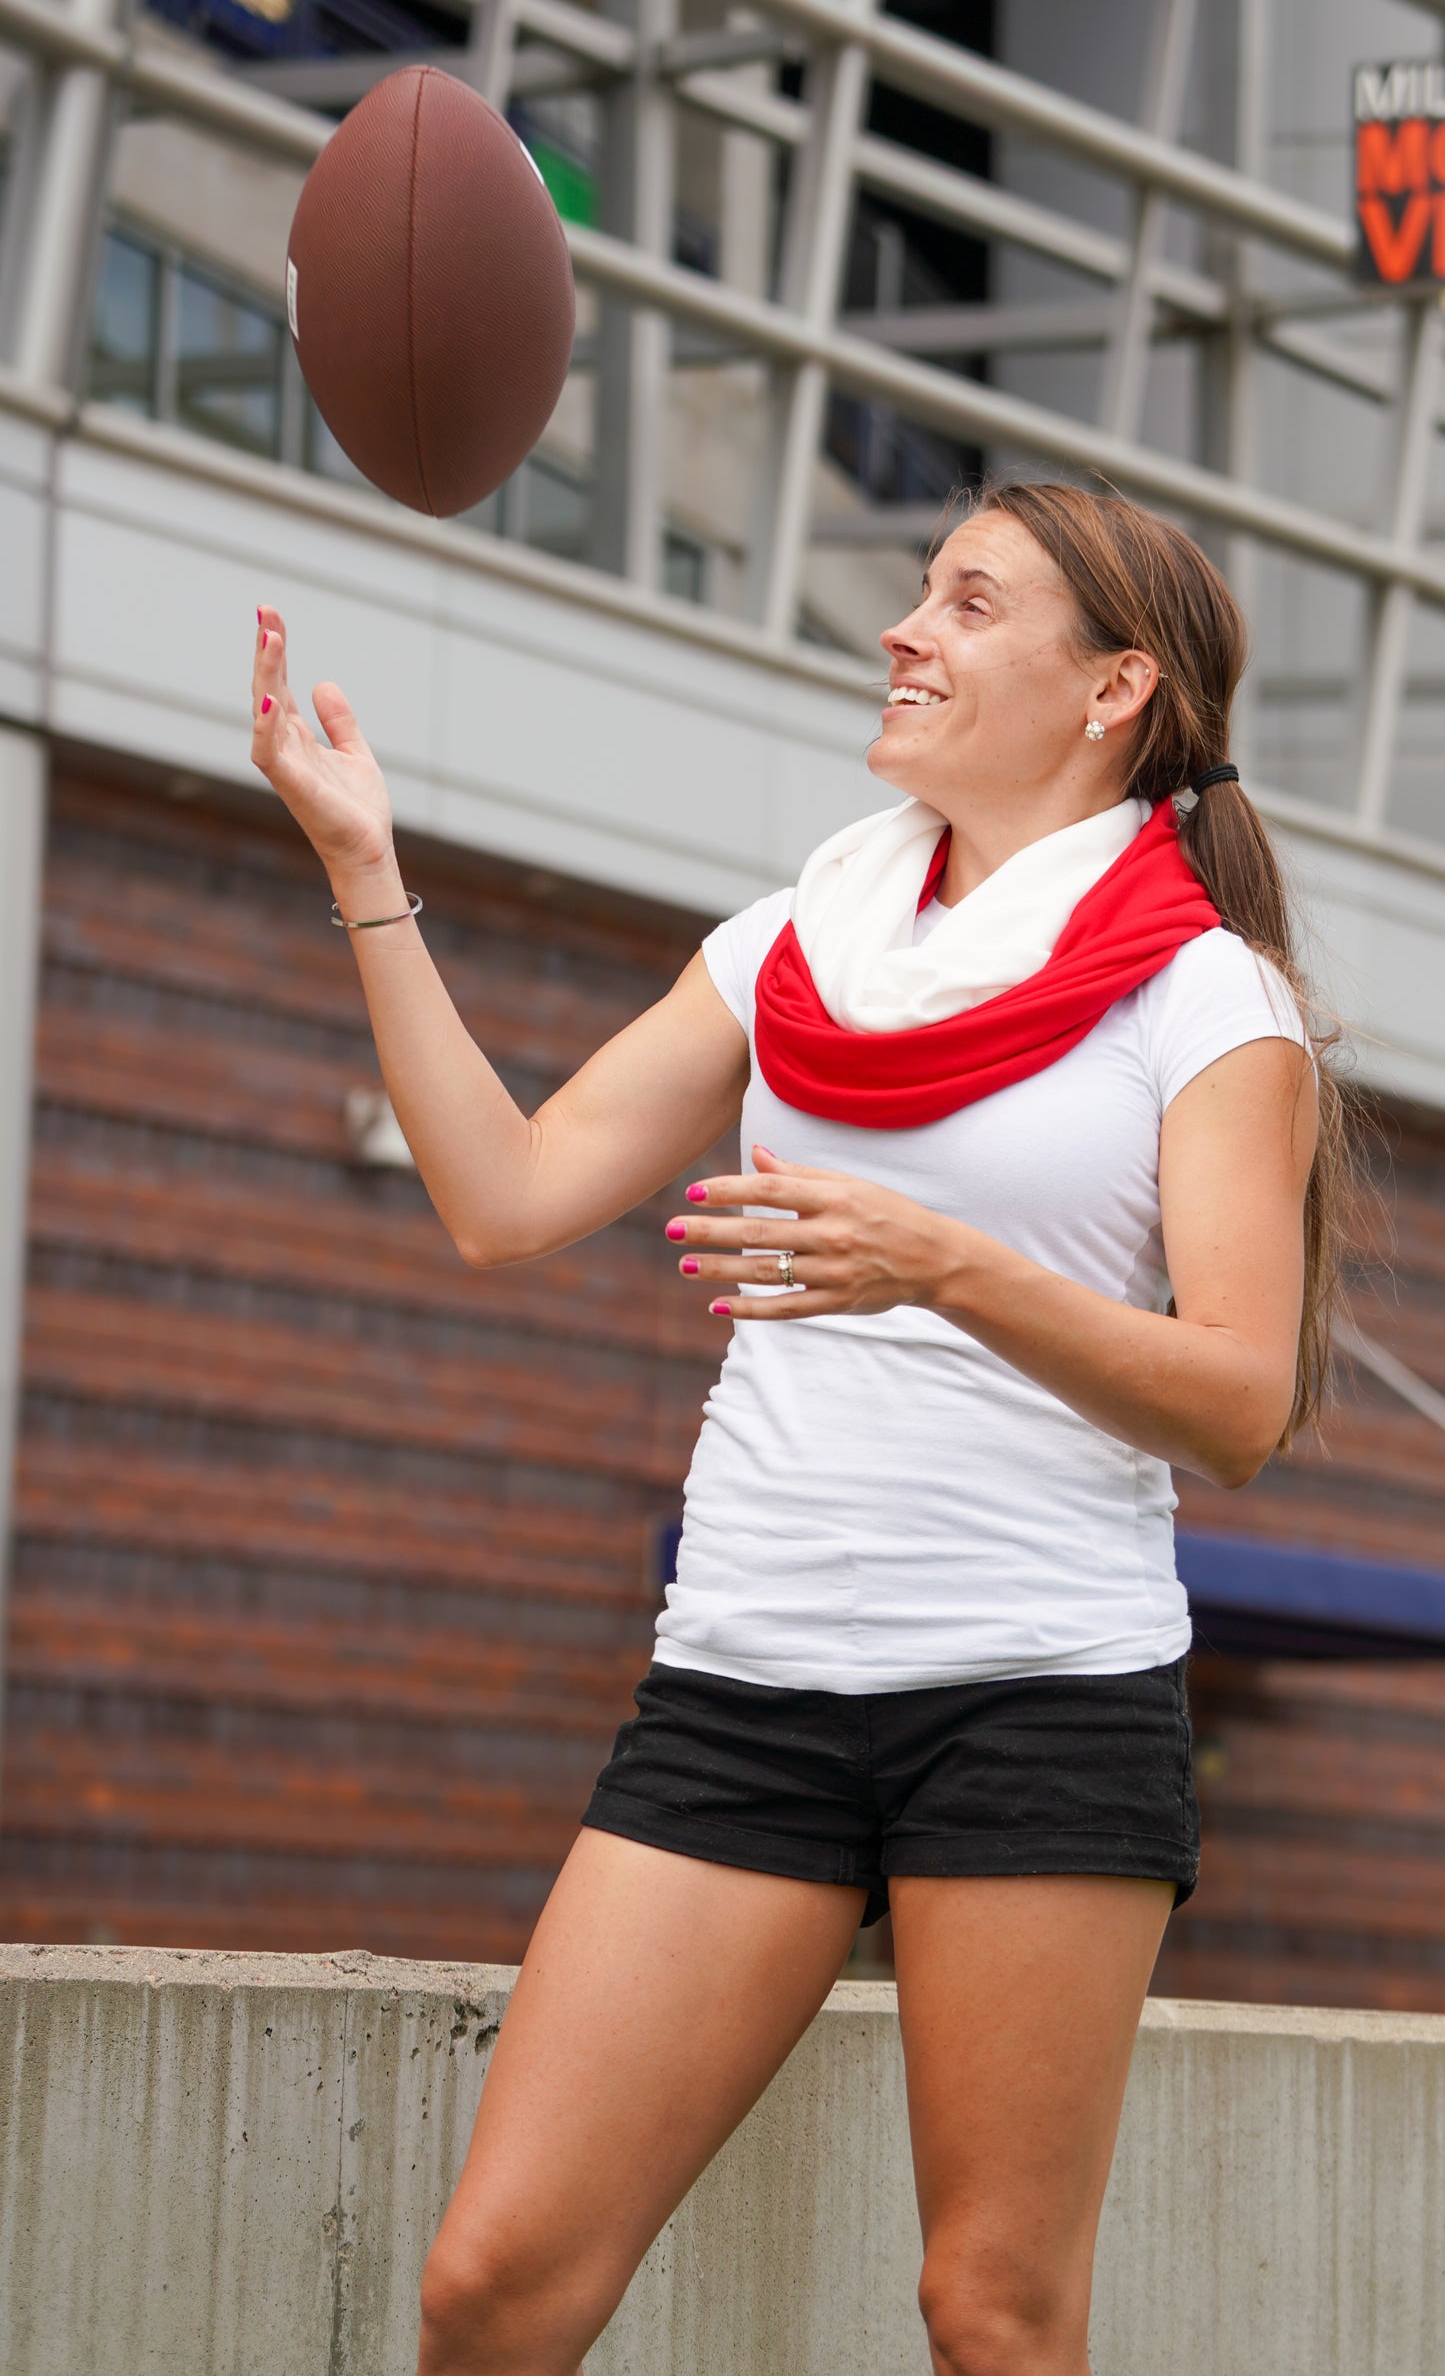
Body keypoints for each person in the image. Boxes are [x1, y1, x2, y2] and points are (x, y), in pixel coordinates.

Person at [250, 480, 1342, 2376]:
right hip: (744, 1681)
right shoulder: (786, 943)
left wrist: (943, 1262)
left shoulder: (1204, 999)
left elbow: (1240, 1400)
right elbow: (502, 1197)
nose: (907, 631)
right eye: (917, 592)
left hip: (1038, 1696)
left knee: (991, 2315)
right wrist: (364, 864)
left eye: (969, 603)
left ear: (1112, 690)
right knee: (492, 2285)